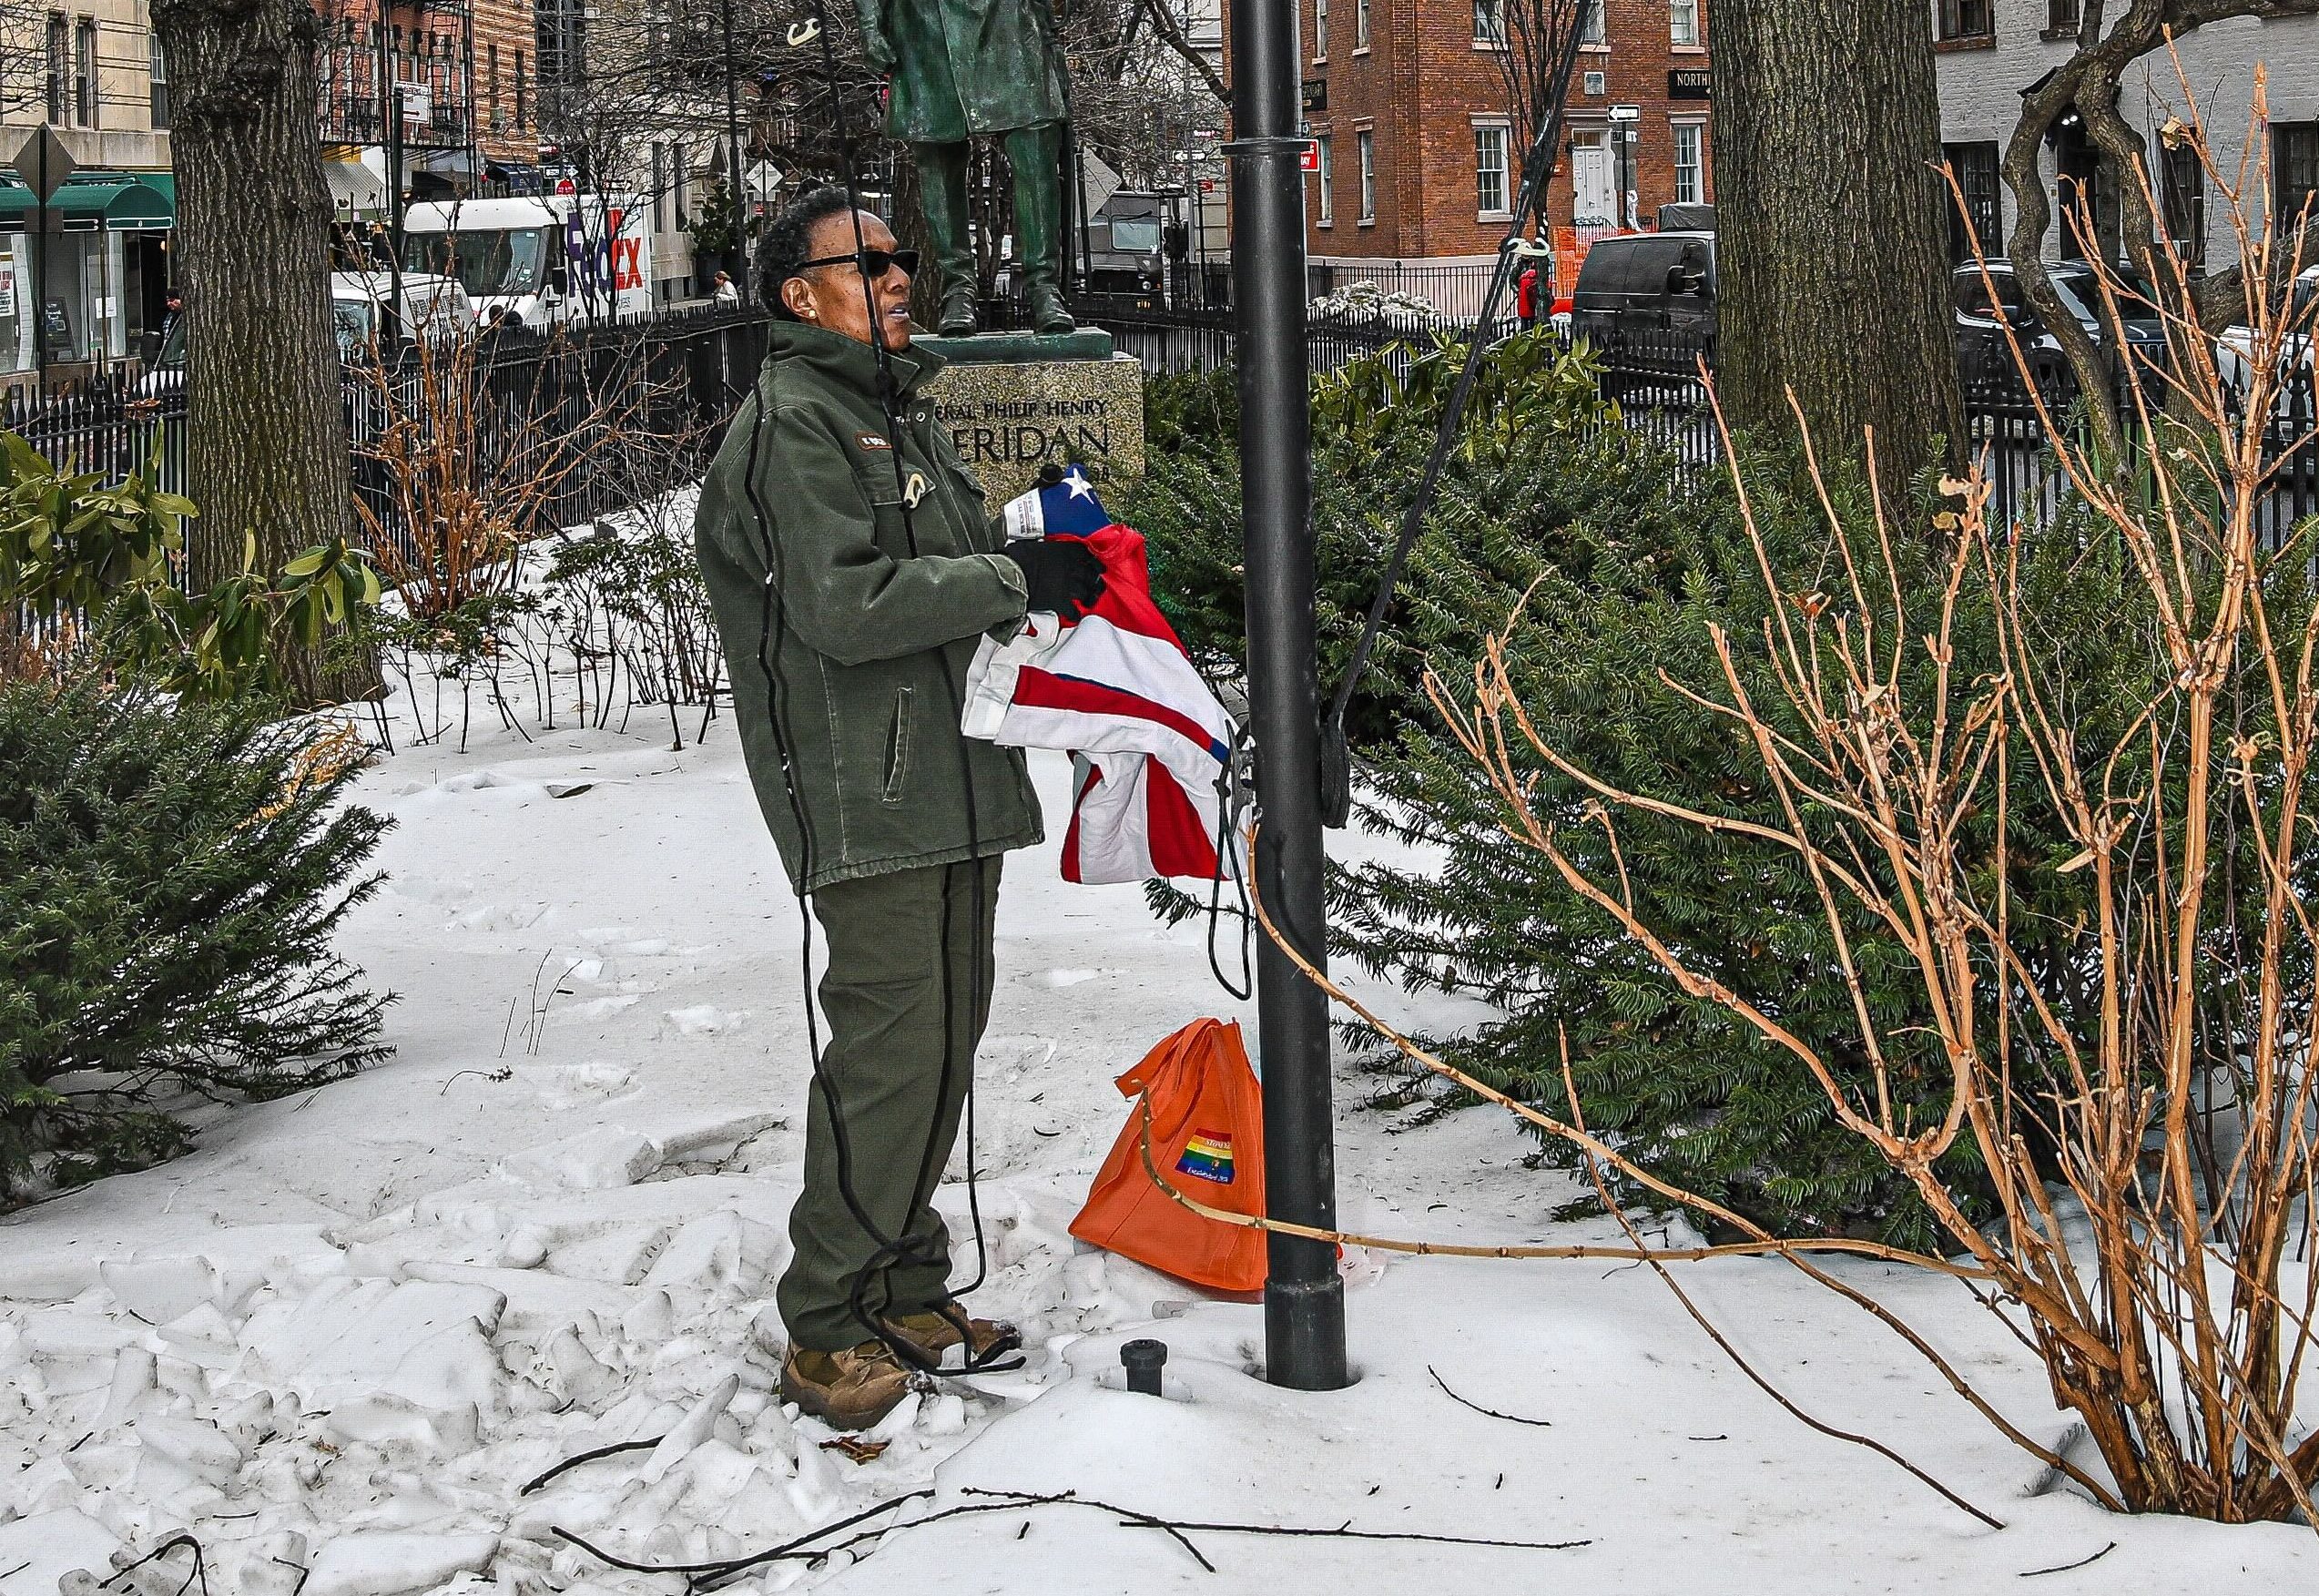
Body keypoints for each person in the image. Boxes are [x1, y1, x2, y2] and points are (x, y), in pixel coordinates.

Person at [692, 186, 1105, 1429]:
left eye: (897, 257)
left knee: (933, 1050)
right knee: (887, 1054)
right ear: (796, 296)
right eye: (860, 262)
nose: (893, 276)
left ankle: (903, 1286)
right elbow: (843, 607)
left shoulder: (888, 413)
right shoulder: (792, 427)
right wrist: (1002, 571)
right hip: (867, 798)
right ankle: (827, 1326)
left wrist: (1030, 534)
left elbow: (949, 561)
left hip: (944, 782)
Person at [859, 0, 1075, 335]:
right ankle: (957, 290)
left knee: (1035, 144)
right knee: (936, 155)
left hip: (1010, 18)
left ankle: (1044, 287)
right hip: (923, 22)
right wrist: (871, 24)